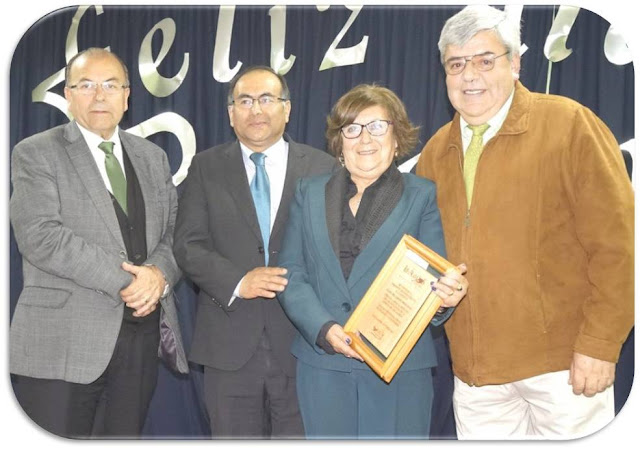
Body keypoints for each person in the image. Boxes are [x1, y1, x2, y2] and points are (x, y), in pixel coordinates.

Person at [416, 5, 634, 439]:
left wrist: (600, 344)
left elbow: (619, 246)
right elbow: (427, 258)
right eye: (456, 64)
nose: (469, 75)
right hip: (476, 377)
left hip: (564, 370)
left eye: (485, 60)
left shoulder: (569, 125)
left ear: (514, 63)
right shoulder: (435, 153)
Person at [10, 48, 188, 438]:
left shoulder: (152, 157)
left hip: (139, 343)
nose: (99, 95)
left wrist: (159, 275)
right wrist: (132, 282)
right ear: (68, 95)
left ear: (127, 96)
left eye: (110, 85)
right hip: (62, 343)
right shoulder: (35, 153)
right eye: (86, 85)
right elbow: (41, 236)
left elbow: (175, 232)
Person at [276, 84, 468, 438]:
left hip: (399, 370)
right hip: (323, 366)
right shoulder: (308, 192)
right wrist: (323, 328)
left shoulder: (422, 195)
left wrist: (445, 297)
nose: (365, 138)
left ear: (397, 138)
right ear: (340, 141)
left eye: (377, 126)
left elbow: (433, 279)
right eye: (352, 128)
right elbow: (292, 273)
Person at [172, 66, 337, 438]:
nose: (256, 110)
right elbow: (187, 244)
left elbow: (334, 251)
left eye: (266, 99)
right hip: (228, 347)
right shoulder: (206, 167)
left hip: (301, 345)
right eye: (244, 101)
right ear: (231, 113)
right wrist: (238, 281)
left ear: (287, 108)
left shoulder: (322, 168)